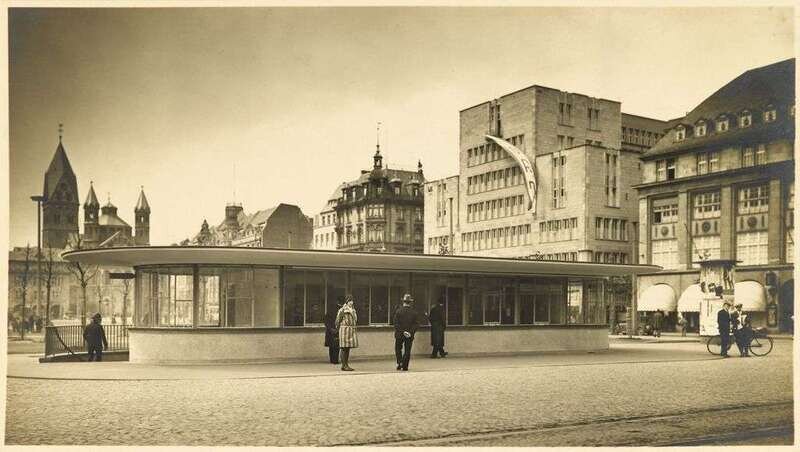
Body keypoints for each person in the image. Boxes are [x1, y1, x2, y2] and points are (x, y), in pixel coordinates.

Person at [393, 294, 420, 371]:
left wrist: (403, 331)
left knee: (398, 348)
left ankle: (399, 362)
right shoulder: (414, 312)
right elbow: (416, 324)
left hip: (399, 334)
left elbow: (396, 324)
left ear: (403, 302)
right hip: (409, 335)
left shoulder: (398, 311)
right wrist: (410, 332)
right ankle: (405, 365)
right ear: (410, 302)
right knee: (407, 350)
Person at [335, 295, 358, 371]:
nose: (351, 302)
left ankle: (346, 364)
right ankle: (344, 365)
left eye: (352, 301)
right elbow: (337, 321)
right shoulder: (342, 310)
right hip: (344, 331)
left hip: (350, 331)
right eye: (349, 301)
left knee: (347, 348)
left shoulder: (353, 310)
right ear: (346, 301)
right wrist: (339, 329)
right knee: (344, 348)